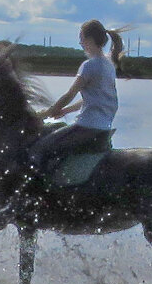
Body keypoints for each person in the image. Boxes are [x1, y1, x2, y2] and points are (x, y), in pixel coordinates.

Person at [28, 19, 125, 173]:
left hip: (87, 127)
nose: (80, 43)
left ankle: (44, 192)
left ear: (89, 40)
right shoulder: (109, 64)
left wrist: (45, 114)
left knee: (39, 149)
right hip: (103, 128)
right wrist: (65, 111)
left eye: (81, 38)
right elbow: (91, 99)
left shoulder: (89, 66)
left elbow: (69, 94)